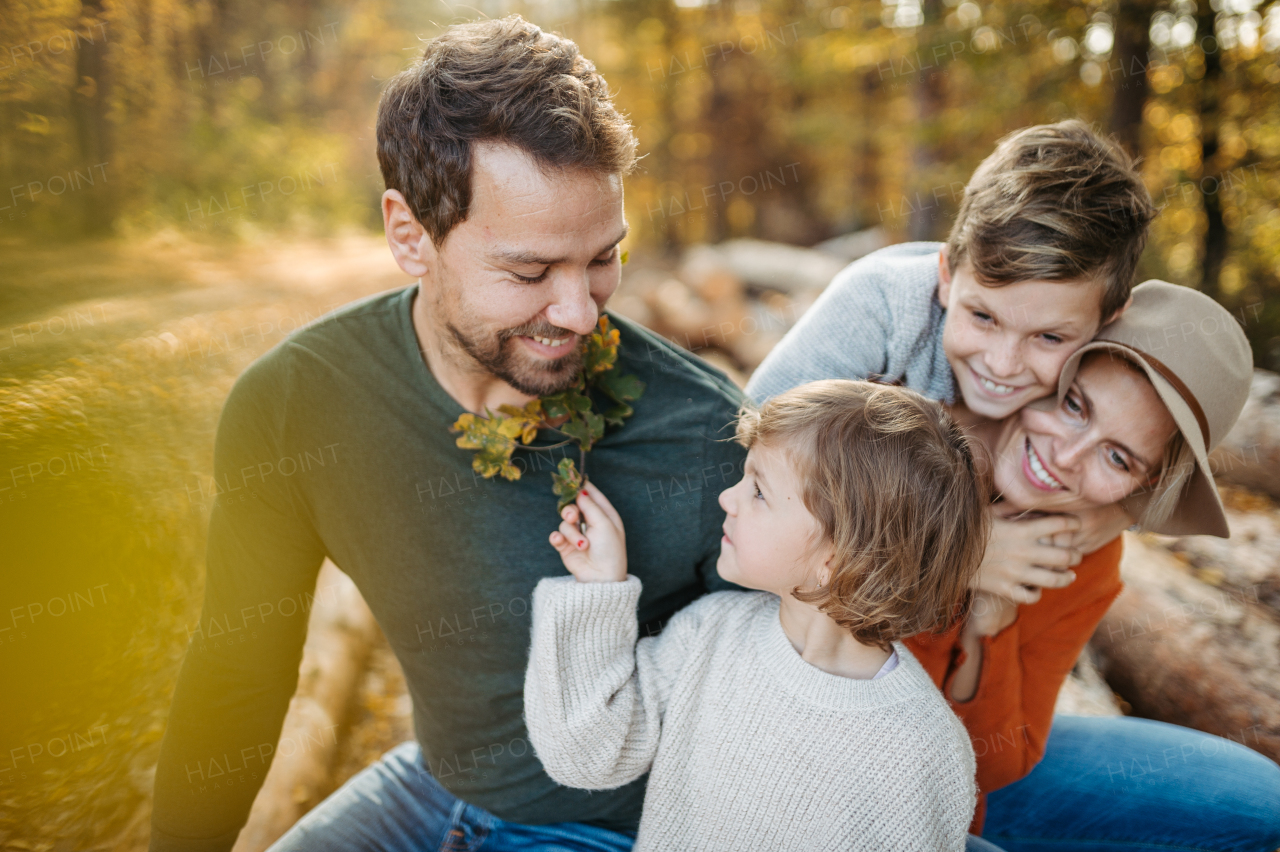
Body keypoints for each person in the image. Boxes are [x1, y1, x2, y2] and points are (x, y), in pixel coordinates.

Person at [149, 17, 749, 852]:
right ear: (410, 236)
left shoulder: (706, 433)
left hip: (631, 830)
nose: (579, 311)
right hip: (433, 785)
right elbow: (235, 679)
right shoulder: (296, 406)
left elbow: (791, 701)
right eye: (529, 271)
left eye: (604, 256)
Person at [525, 381, 988, 851]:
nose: (728, 498)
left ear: (841, 558)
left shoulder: (924, 753)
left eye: (759, 491)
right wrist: (599, 590)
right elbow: (586, 755)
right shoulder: (712, 632)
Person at [906, 281, 1280, 851]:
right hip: (834, 754)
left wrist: (990, 626)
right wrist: (961, 553)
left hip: (961, 769)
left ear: (1144, 484)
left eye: (1118, 456)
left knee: (1257, 799)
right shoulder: (905, 436)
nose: (1065, 456)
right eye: (1075, 404)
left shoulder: (1088, 556)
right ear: (1053, 367)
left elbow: (1000, 765)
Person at [747, 119, 1158, 561]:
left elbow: (1172, 459)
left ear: (1106, 323)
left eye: (1049, 337)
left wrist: (1122, 509)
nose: (1003, 365)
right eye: (983, 317)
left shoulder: (1097, 368)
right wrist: (965, 555)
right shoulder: (879, 310)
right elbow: (755, 439)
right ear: (945, 275)